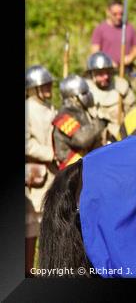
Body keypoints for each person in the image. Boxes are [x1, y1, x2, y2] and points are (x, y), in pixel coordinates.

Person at [25, 65, 58, 276]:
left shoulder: (51, 107)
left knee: (49, 222)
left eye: (49, 84)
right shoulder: (28, 108)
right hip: (36, 175)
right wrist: (50, 153)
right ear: (33, 88)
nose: (48, 87)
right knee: (31, 226)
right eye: (43, 85)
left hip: (54, 173)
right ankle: (27, 270)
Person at [52, 74, 106, 170]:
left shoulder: (83, 111)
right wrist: (99, 124)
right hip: (71, 171)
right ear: (73, 97)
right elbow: (82, 139)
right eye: (84, 93)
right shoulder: (63, 118)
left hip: (84, 167)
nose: (88, 95)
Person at [84, 51, 136, 143]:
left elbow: (132, 113)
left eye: (107, 72)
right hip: (93, 141)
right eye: (100, 73)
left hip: (119, 138)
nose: (106, 77)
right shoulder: (85, 90)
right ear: (92, 74)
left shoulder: (121, 86)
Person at [90, 0, 136, 74]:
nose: (119, 17)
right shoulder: (100, 29)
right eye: (115, 14)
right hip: (107, 73)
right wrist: (108, 62)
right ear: (108, 12)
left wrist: (130, 57)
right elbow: (95, 52)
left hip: (127, 71)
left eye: (121, 14)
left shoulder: (129, 27)